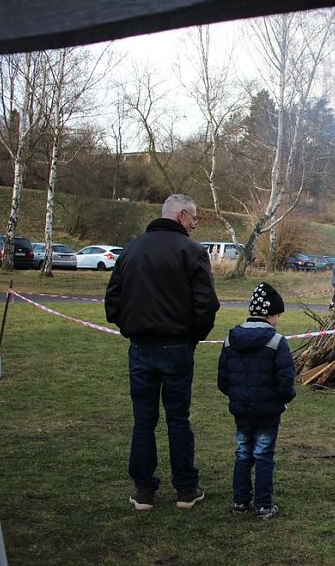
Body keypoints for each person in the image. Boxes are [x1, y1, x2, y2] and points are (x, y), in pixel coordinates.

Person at [105, 194, 220, 510]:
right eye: (194, 217)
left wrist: (132, 328)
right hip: (176, 349)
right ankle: (185, 488)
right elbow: (207, 304)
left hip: (141, 348)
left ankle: (144, 490)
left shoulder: (130, 250)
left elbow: (112, 302)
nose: (196, 223)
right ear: (181, 215)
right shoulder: (192, 252)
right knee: (178, 419)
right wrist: (192, 337)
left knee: (143, 420)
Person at [217, 282, 296, 520]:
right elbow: (286, 378)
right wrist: (285, 398)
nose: (278, 320)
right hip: (268, 411)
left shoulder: (230, 339)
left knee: (243, 453)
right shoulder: (277, 342)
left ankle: (240, 501)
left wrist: (236, 395)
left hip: (241, 409)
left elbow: (223, 380)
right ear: (270, 314)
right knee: (263, 455)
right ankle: (263, 505)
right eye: (278, 315)